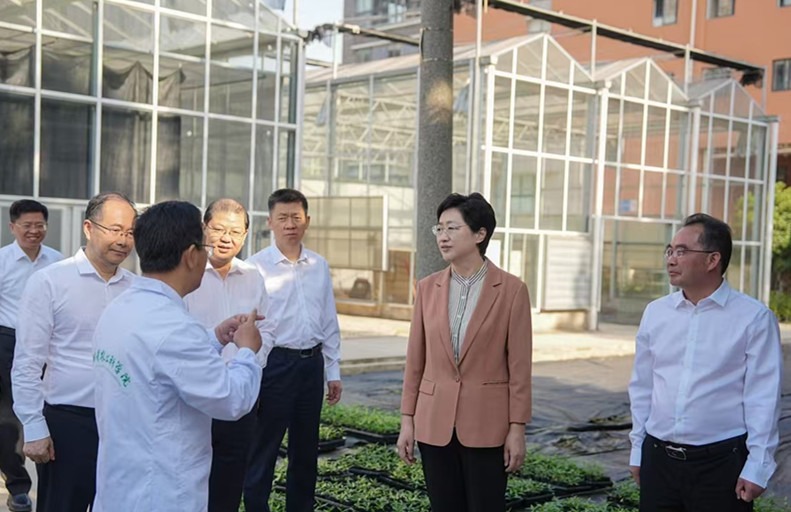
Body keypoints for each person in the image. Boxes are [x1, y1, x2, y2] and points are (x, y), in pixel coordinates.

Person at [92, 200, 263, 512]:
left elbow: (159, 363)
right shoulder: (175, 327)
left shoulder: (119, 309)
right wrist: (247, 351)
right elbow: (231, 399)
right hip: (163, 491)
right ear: (191, 255)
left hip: (121, 483)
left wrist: (214, 338)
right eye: (205, 246)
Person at [628, 213, 783, 512]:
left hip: (721, 466)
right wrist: (638, 450)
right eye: (670, 250)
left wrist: (758, 465)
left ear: (713, 260)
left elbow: (763, 397)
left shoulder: (753, 318)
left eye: (682, 251)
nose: (671, 259)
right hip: (658, 461)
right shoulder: (656, 313)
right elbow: (642, 386)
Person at [396, 192, 533, 512]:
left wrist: (517, 428)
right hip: (434, 424)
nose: (442, 236)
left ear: (479, 234)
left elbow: (520, 369)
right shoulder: (427, 288)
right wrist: (407, 420)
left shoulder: (512, 290)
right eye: (439, 228)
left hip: (487, 424)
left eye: (452, 228)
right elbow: (415, 361)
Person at [12, 192, 137, 512]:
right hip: (69, 423)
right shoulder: (50, 282)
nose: (123, 240)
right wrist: (34, 427)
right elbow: (27, 362)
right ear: (88, 228)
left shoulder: (136, 288)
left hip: (124, 423)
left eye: (130, 232)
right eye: (115, 229)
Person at [244, 188, 342, 512]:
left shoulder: (319, 265)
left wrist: (333, 370)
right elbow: (250, 325)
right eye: (283, 218)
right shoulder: (255, 268)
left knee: (305, 451)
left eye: (296, 218)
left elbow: (329, 319)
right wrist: (254, 374)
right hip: (275, 365)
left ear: (307, 221)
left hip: (311, 366)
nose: (290, 224)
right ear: (270, 222)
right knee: (264, 449)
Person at [183, 198, 269, 512]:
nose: (225, 238)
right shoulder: (186, 273)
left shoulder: (253, 276)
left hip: (239, 394)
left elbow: (268, 329)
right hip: (195, 395)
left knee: (230, 481)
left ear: (245, 236)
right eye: (218, 229)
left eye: (234, 232)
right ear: (203, 228)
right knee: (191, 478)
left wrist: (252, 363)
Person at [0, 200, 63, 512]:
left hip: (46, 343)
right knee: (8, 418)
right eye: (27, 225)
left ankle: (51, 483)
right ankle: (18, 486)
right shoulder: (2, 261)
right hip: (7, 340)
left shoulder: (57, 262)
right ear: (13, 227)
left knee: (45, 411)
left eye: (40, 225)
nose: (34, 231)